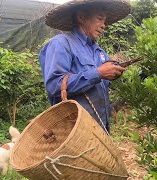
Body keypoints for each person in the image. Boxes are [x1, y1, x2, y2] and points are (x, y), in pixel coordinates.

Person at [39, 0, 131, 133]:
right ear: (82, 17)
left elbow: (101, 83)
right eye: (100, 18)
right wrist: (98, 73)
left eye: (105, 21)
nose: (104, 25)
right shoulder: (61, 44)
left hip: (101, 128)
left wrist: (114, 72)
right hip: (75, 132)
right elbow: (54, 86)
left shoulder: (99, 51)